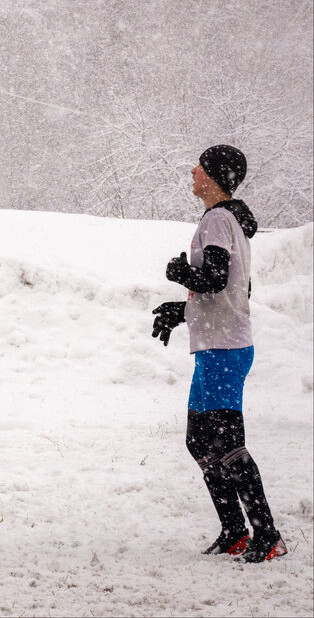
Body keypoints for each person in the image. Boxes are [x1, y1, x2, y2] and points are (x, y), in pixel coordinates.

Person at [151, 145, 286, 563]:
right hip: (216, 344)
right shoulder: (227, 220)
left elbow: (212, 278)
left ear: (213, 176)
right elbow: (231, 288)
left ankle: (267, 535)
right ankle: (234, 529)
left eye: (200, 166)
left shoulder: (216, 220)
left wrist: (178, 274)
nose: (192, 171)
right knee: (200, 440)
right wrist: (182, 310)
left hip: (223, 348)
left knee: (227, 443)